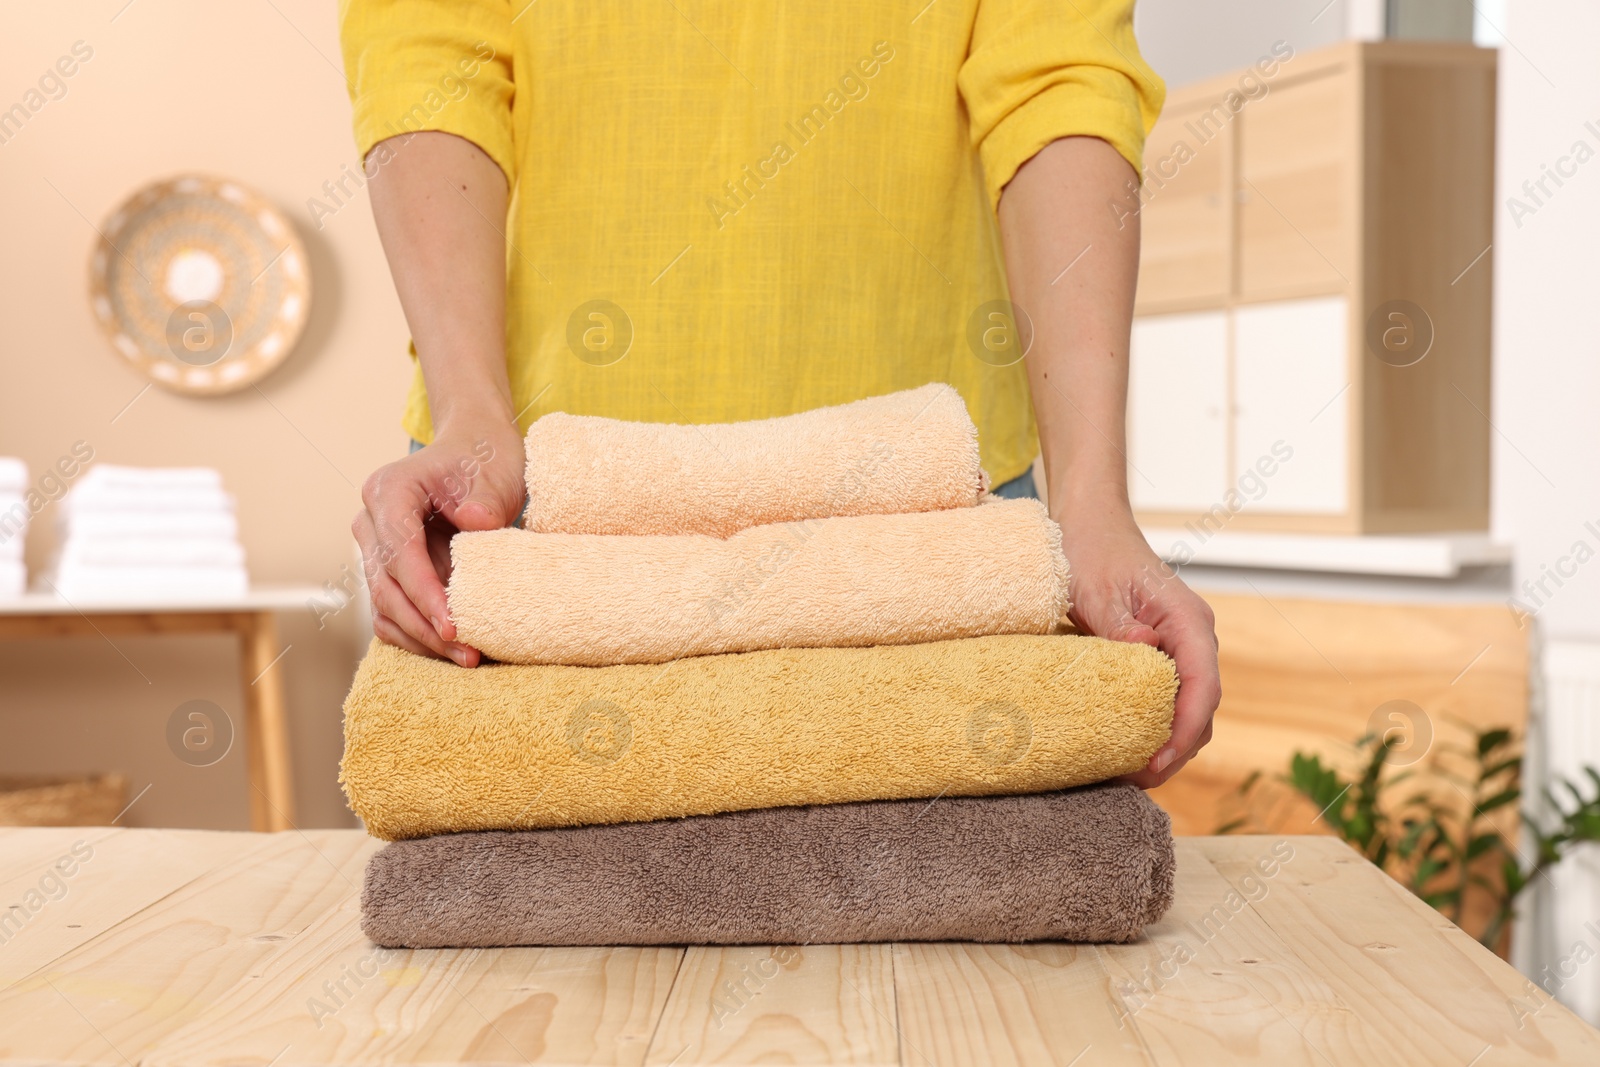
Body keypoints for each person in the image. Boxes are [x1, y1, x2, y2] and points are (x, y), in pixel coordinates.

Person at [339, 0, 1219, 787]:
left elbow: (1058, 80)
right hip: (531, 501)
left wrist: (1092, 504)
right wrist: (467, 410)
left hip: (936, 527)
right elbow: (429, 50)